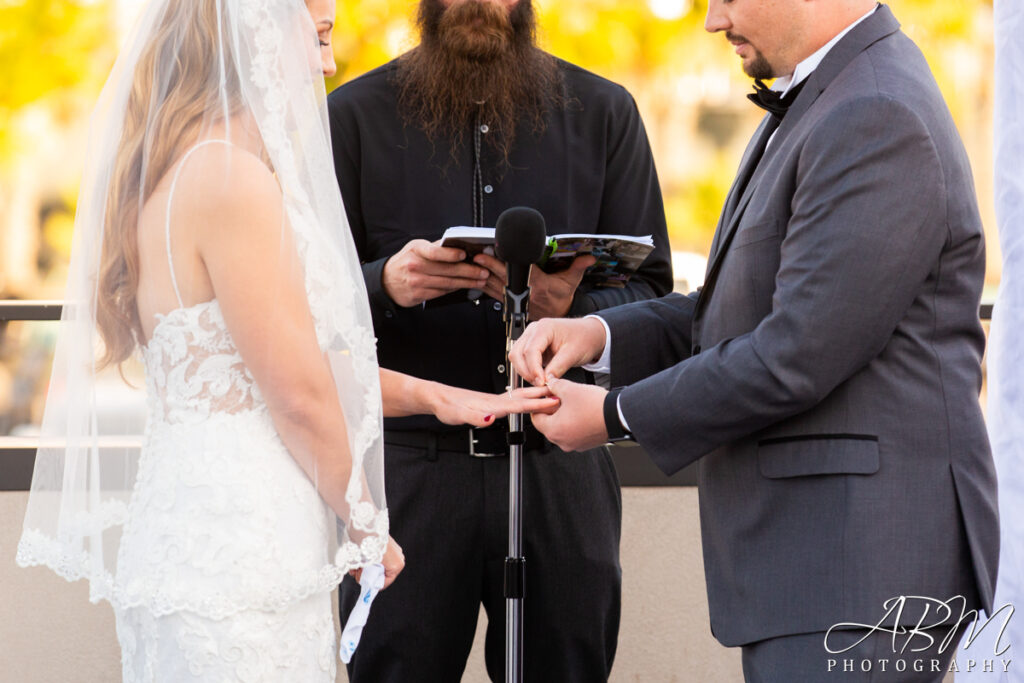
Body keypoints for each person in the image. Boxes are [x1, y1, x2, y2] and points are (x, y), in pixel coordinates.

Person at [15, 0, 556, 680]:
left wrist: (443, 398)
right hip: (241, 552)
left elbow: (271, 366)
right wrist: (364, 521)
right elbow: (297, 394)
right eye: (321, 38)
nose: (328, 65)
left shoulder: (181, 170)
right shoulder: (232, 179)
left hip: (192, 536)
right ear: (255, 33)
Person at [510, 1, 1000, 680]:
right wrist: (596, 334)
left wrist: (613, 415)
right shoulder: (833, 96)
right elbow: (735, 313)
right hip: (824, 574)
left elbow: (795, 354)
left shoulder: (876, 111)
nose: (714, 20)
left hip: (860, 577)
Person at [327, 0, 673, 680]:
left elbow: (655, 299)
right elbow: (295, 309)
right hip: (407, 474)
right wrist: (383, 284)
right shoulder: (352, 118)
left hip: (561, 466)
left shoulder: (605, 113)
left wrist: (568, 307)